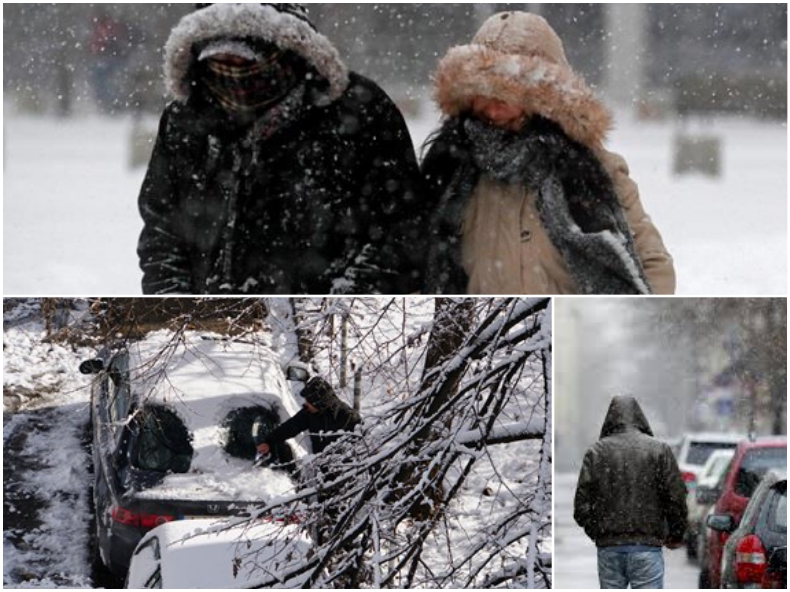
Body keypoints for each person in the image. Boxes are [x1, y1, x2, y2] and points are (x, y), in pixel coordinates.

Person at [138, 3, 425, 295]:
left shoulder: (360, 112)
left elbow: (400, 232)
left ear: (285, 50)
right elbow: (162, 232)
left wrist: (340, 309)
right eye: (219, 60)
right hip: (210, 317)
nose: (233, 74)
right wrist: (177, 302)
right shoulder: (184, 119)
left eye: (246, 60)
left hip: (327, 316)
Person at [422, 12, 676, 295]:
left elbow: (652, 265)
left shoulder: (595, 172)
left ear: (543, 100)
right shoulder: (446, 172)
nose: (492, 111)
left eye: (506, 97)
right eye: (482, 95)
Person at [574, 396, 688, 589]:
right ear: (640, 418)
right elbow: (675, 497)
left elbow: (581, 506)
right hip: (647, 547)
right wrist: (675, 534)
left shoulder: (596, 453)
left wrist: (600, 532)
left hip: (609, 548)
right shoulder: (659, 450)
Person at [256, 377, 361, 459]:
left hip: (346, 474)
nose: (305, 404)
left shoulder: (349, 418)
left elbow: (361, 447)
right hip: (321, 471)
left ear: (320, 404)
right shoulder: (310, 413)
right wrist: (269, 441)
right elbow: (291, 427)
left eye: (309, 402)